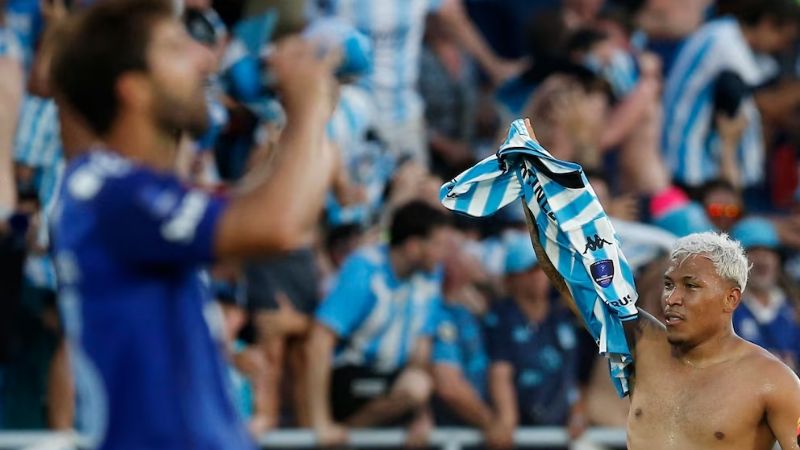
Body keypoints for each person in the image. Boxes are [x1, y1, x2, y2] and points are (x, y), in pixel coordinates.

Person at [48, 1, 337, 448]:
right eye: (176, 49)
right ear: (134, 89)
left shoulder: (136, 191)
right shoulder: (105, 190)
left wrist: (311, 113)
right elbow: (280, 225)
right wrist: (308, 112)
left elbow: (263, 207)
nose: (205, 59)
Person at [528, 203, 800, 446]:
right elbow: (563, 275)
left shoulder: (773, 381)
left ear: (730, 298)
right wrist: (532, 189)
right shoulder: (642, 344)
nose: (672, 298)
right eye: (669, 284)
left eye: (691, 286)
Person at [306, 200, 451, 447]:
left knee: (419, 385)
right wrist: (319, 421)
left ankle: (348, 433)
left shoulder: (431, 277)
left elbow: (420, 351)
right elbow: (319, 341)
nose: (444, 253)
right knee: (416, 387)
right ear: (414, 246)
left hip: (390, 381)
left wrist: (421, 413)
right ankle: (339, 435)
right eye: (437, 244)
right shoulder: (365, 270)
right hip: (348, 375)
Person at [730, 217, 800, 372]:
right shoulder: (725, 309)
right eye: (753, 252)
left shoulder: (794, 308)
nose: (762, 260)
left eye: (768, 252)